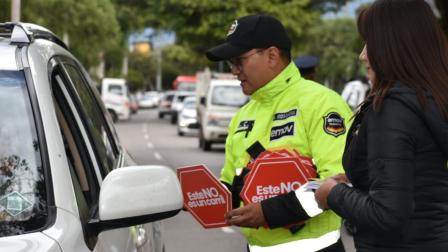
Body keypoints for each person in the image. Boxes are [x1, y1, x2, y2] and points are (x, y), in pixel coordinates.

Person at [206, 14, 352, 252]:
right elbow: (233, 185)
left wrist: (268, 212)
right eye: (230, 64)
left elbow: (337, 183)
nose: (234, 71)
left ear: (272, 55)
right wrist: (198, 196)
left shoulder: (322, 103)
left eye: (239, 60)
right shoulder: (242, 116)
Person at [315, 1, 448, 251]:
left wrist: (333, 193)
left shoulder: (392, 107)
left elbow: (388, 213)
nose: (362, 54)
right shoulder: (429, 99)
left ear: (394, 47)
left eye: (370, 43)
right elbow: (420, 179)